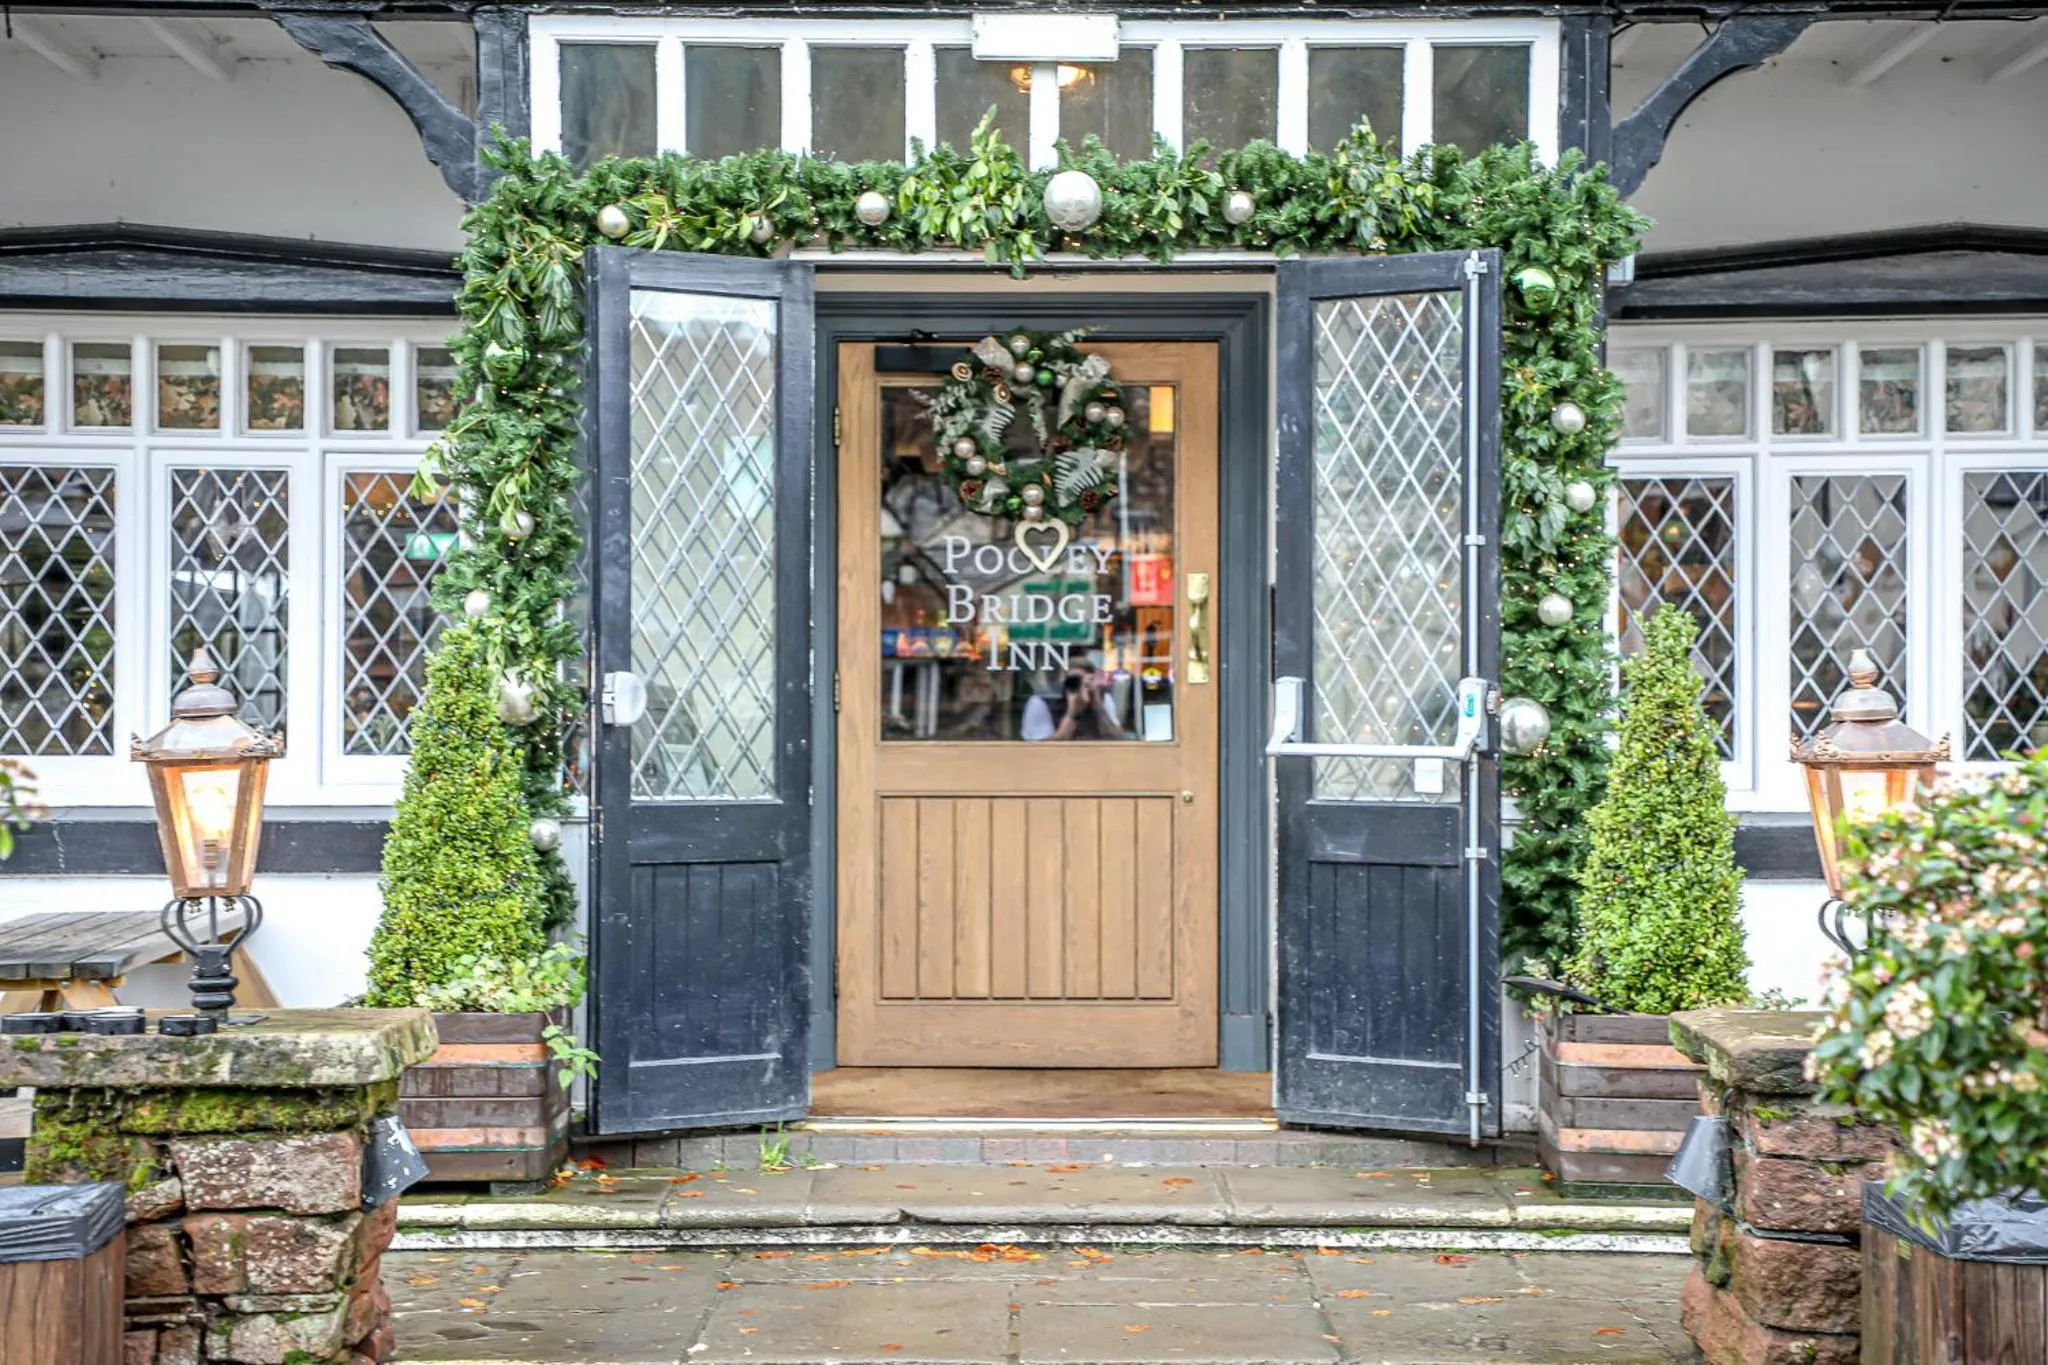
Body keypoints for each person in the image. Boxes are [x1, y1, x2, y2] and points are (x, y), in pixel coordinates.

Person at [1021, 658, 1122, 741]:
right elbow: (1040, 750)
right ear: (1062, 678)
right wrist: (1072, 714)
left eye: (1082, 680)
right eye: (1072, 680)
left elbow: (1117, 740)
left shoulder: (1102, 697)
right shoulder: (1042, 700)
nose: (1077, 685)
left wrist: (1097, 704)